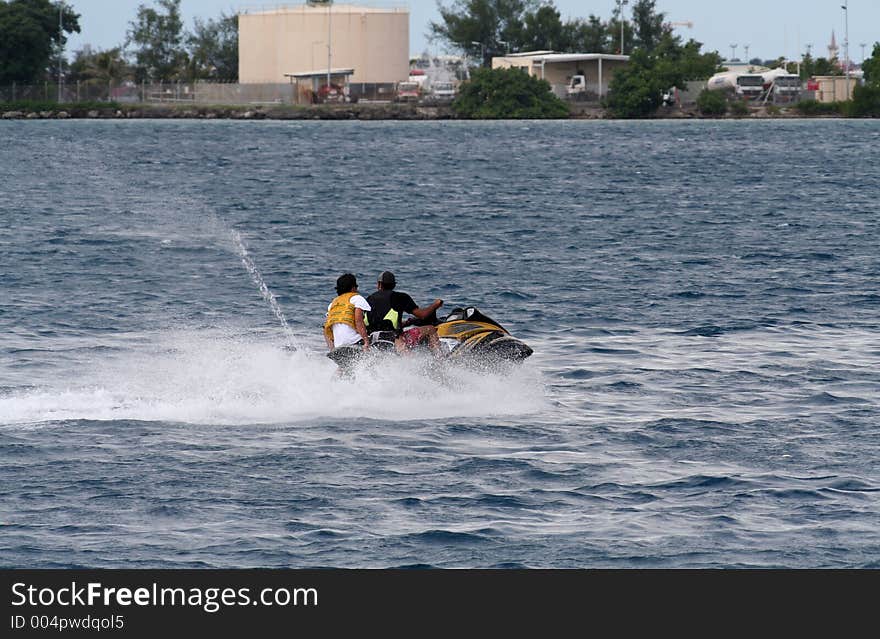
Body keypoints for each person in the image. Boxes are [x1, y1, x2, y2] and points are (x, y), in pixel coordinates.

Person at [365, 271, 443, 355]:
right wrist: (436, 305)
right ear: (394, 285)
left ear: (379, 284)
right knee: (430, 329)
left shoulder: (369, 299)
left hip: (374, 339)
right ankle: (439, 360)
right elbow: (422, 315)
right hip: (395, 339)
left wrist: (404, 323)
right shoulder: (401, 297)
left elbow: (379, 321)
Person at [324, 273, 371, 353]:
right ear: (353, 288)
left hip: (338, 348)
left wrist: (332, 349)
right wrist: (366, 342)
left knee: (344, 365)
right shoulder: (357, 298)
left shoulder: (332, 305)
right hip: (354, 343)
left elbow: (325, 328)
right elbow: (358, 321)